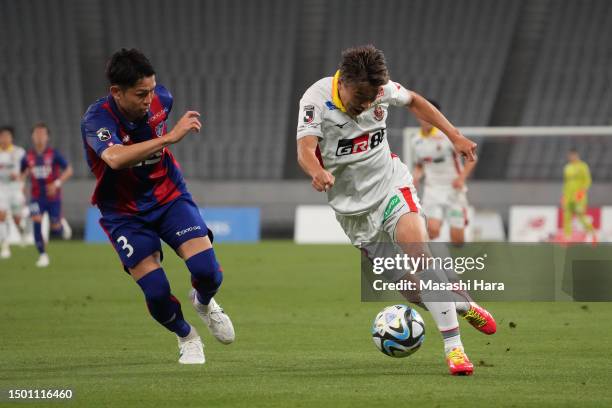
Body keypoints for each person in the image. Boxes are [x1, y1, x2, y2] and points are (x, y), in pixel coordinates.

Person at [296, 45, 495, 376]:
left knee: (420, 255)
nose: (367, 105)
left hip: (391, 186)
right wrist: (316, 171)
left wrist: (455, 136)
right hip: (354, 213)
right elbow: (305, 148)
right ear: (342, 82)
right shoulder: (315, 100)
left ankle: (454, 349)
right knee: (412, 291)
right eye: (361, 97)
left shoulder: (380, 92)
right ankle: (463, 304)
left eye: (373, 98)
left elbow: (415, 101)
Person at [80, 48, 235, 364]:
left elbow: (155, 110)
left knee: (208, 272)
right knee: (155, 291)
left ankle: (204, 303)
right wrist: (170, 138)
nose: (149, 99)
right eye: (140, 94)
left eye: (151, 90)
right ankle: (186, 336)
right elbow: (115, 158)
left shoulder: (163, 99)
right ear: (116, 92)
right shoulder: (97, 119)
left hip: (168, 197)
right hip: (123, 213)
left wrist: (166, 136)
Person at [410, 101, 476, 245]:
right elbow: (420, 165)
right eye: (422, 116)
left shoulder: (448, 136)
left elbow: (473, 158)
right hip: (432, 190)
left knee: (457, 240)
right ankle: (431, 264)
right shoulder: (416, 141)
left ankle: (461, 261)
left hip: (454, 191)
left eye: (429, 116)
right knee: (432, 231)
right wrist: (415, 177)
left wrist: (461, 178)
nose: (425, 119)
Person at [20, 123, 73, 267]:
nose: (39, 137)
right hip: (36, 197)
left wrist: (56, 184)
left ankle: (60, 224)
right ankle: (43, 255)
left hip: (53, 197)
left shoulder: (53, 154)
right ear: (32, 136)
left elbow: (68, 170)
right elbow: (22, 173)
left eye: (42, 134)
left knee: (55, 228)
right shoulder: (27, 156)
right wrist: (21, 186)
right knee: (36, 220)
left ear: (47, 137)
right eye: (37, 133)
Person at [0, 126, 26, 259]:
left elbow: (28, 167)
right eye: (2, 136)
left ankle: (21, 230)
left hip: (15, 188)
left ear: (11, 138)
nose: (4, 139)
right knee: (1, 215)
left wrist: (21, 178)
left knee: (17, 218)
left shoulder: (19, 152)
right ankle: (5, 245)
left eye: (7, 136)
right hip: (1, 188)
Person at [562, 148, 595, 242]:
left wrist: (582, 191)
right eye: (570, 155)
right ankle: (567, 237)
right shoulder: (567, 167)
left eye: (573, 155)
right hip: (568, 196)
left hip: (579, 196)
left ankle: (592, 234)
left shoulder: (583, 166)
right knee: (567, 217)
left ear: (577, 155)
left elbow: (587, 180)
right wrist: (564, 196)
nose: (571, 157)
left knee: (581, 216)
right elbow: (566, 183)